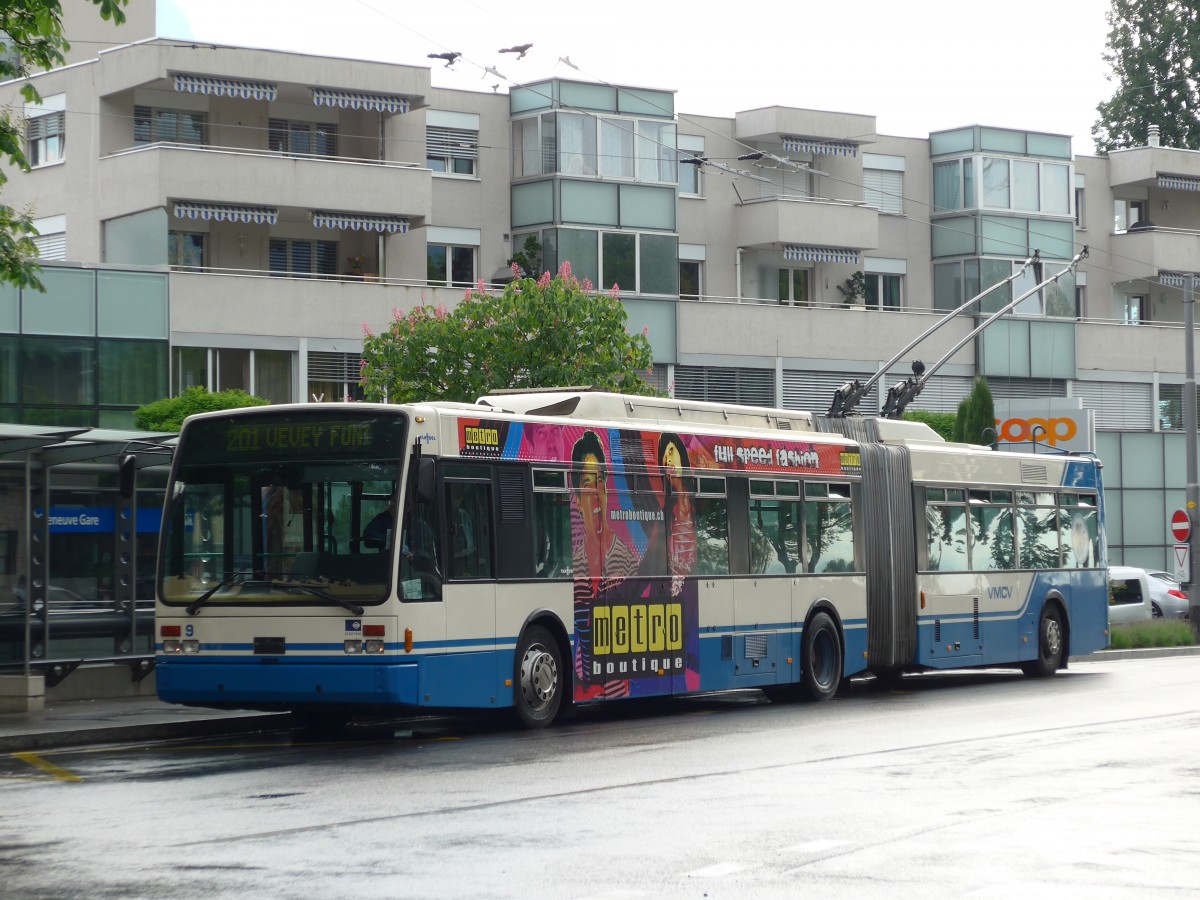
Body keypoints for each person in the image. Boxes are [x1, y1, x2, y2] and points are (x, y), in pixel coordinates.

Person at [571, 430, 639, 698]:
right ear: (577, 499)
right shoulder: (573, 567)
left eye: (599, 481)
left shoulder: (628, 562)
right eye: (587, 485)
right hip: (584, 688)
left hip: (619, 692)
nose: (596, 493)